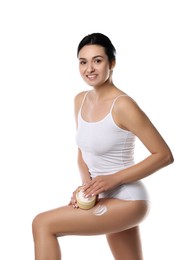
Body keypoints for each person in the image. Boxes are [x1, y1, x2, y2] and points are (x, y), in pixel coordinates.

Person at [32, 32, 174, 260]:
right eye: (83, 62)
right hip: (103, 197)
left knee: (42, 224)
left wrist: (113, 179)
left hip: (128, 199)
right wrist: (86, 189)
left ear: (112, 63)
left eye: (97, 60)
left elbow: (164, 155)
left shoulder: (123, 105)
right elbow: (83, 153)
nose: (89, 68)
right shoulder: (80, 100)